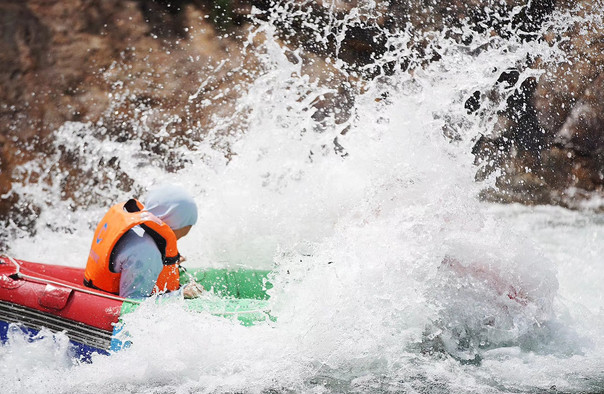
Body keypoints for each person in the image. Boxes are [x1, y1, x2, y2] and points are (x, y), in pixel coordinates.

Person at [84, 184, 204, 299]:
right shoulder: (147, 252)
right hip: (106, 305)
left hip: (93, 285)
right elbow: (132, 303)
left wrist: (163, 263)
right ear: (172, 223)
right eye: (180, 235)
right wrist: (180, 294)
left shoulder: (136, 226)